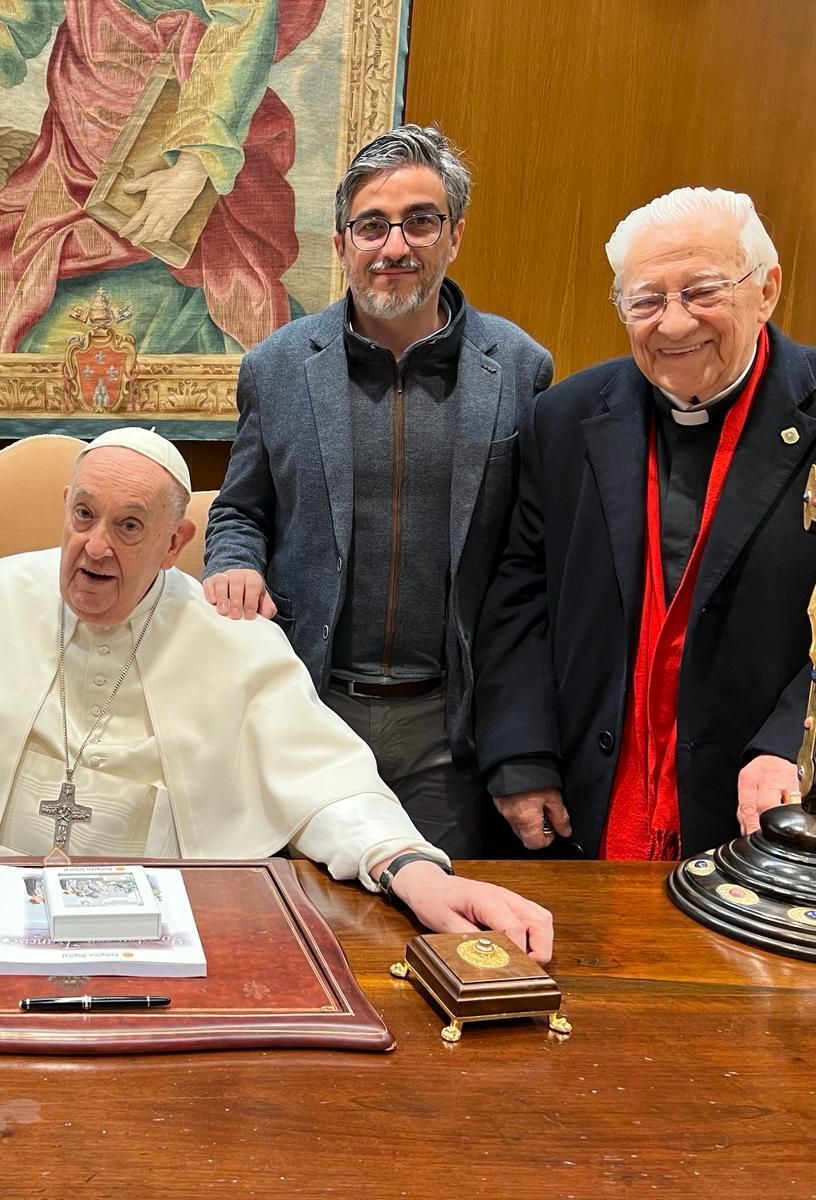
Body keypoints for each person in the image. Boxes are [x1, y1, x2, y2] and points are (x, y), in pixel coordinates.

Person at [0, 428, 555, 961]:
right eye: (83, 516)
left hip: (166, 926)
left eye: (128, 527)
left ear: (175, 541)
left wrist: (413, 871)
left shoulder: (234, 640)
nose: (94, 548)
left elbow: (327, 787)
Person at [202, 126, 552, 858]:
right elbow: (240, 509)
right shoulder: (277, 367)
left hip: (448, 730)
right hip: (308, 707)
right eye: (371, 225)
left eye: (420, 220)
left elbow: (535, 563)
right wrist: (233, 562)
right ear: (341, 245)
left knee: (432, 923)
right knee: (304, 928)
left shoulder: (520, 369)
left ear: (454, 235)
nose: (395, 246)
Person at [474, 188, 816, 860]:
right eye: (647, 300)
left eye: (703, 291)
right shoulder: (566, 417)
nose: (675, 323)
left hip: (768, 803)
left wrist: (789, 745)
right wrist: (521, 753)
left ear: (767, 290)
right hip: (588, 798)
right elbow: (521, 597)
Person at [0, 2, 327, 353]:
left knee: (210, 310)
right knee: (4, 300)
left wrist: (193, 166)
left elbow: (245, 20)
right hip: (82, 117)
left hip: (195, 108)